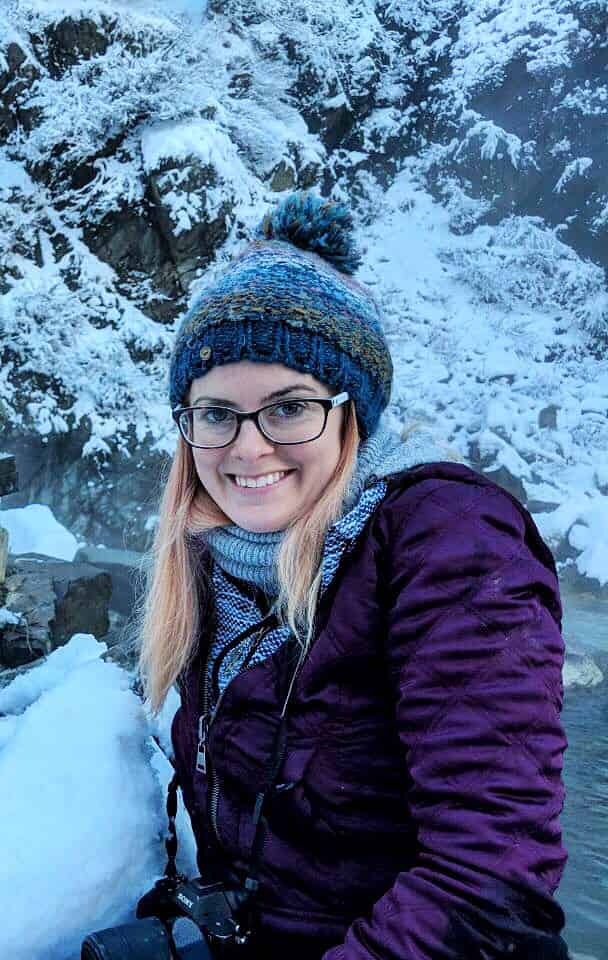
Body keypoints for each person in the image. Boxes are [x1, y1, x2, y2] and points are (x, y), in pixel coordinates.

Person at [139, 192, 568, 959]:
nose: (247, 448)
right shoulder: (217, 559)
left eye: (289, 407)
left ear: (352, 413)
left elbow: (490, 880)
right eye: (215, 413)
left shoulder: (446, 540)